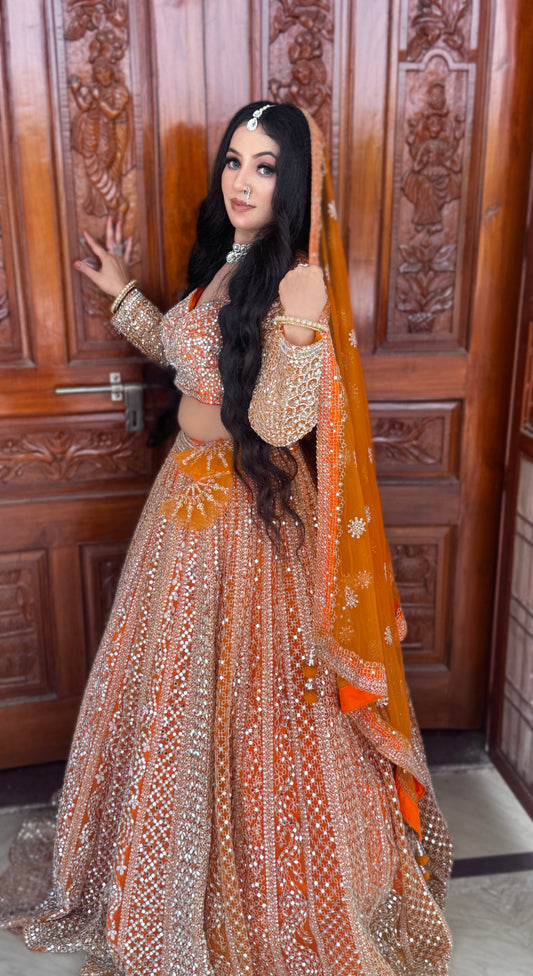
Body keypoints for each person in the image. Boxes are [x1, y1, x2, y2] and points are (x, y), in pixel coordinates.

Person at [0, 102, 453, 976]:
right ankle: (169, 877)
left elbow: (280, 423)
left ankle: (260, 891)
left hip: (251, 525)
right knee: (176, 698)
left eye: (265, 166)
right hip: (183, 513)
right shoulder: (227, 265)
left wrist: (295, 324)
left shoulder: (295, 281)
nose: (241, 181)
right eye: (234, 162)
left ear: (297, 184)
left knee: (256, 713)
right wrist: (125, 296)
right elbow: (192, 359)